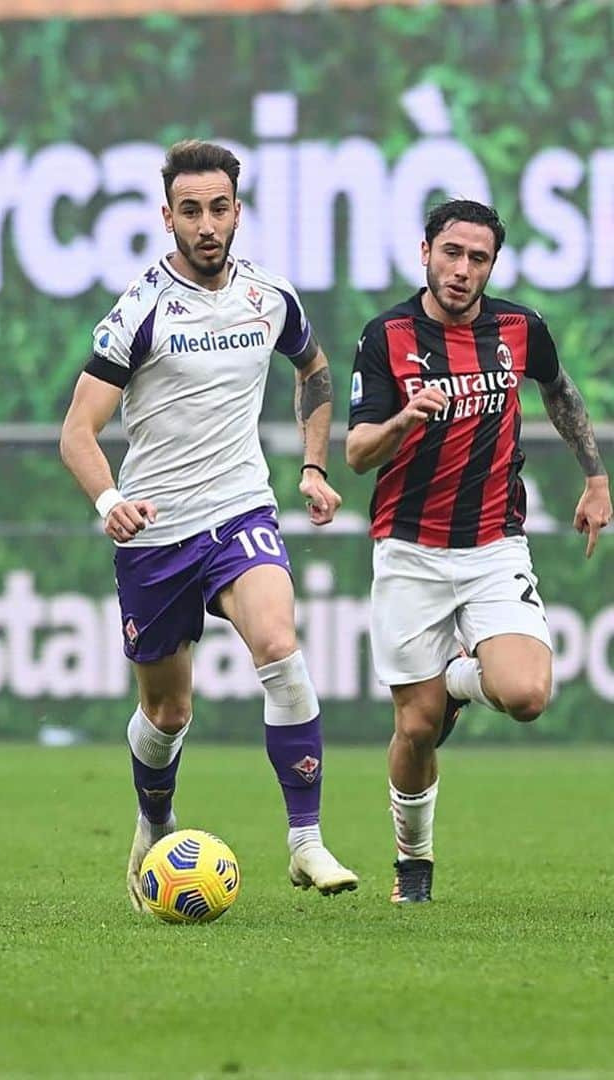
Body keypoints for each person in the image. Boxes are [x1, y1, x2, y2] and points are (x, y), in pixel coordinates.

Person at [59, 139, 358, 910]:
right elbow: (77, 432)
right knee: (168, 711)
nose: (206, 223)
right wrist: (108, 501)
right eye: (189, 210)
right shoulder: (139, 311)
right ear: (167, 217)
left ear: (237, 210)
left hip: (240, 509)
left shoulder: (270, 296)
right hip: (156, 530)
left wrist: (314, 468)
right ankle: (155, 819)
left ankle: (305, 842)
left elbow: (315, 370)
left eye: (218, 207)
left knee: (279, 644)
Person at [346, 198, 611, 904]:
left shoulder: (519, 328)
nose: (462, 270)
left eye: (478, 258)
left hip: (494, 544)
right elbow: (355, 454)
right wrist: (404, 417)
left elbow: (559, 393)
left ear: (492, 264)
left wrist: (594, 477)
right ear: (425, 251)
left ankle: (464, 675)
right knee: (417, 727)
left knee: (526, 694)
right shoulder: (387, 336)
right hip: (408, 551)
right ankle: (413, 862)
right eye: (451, 253)